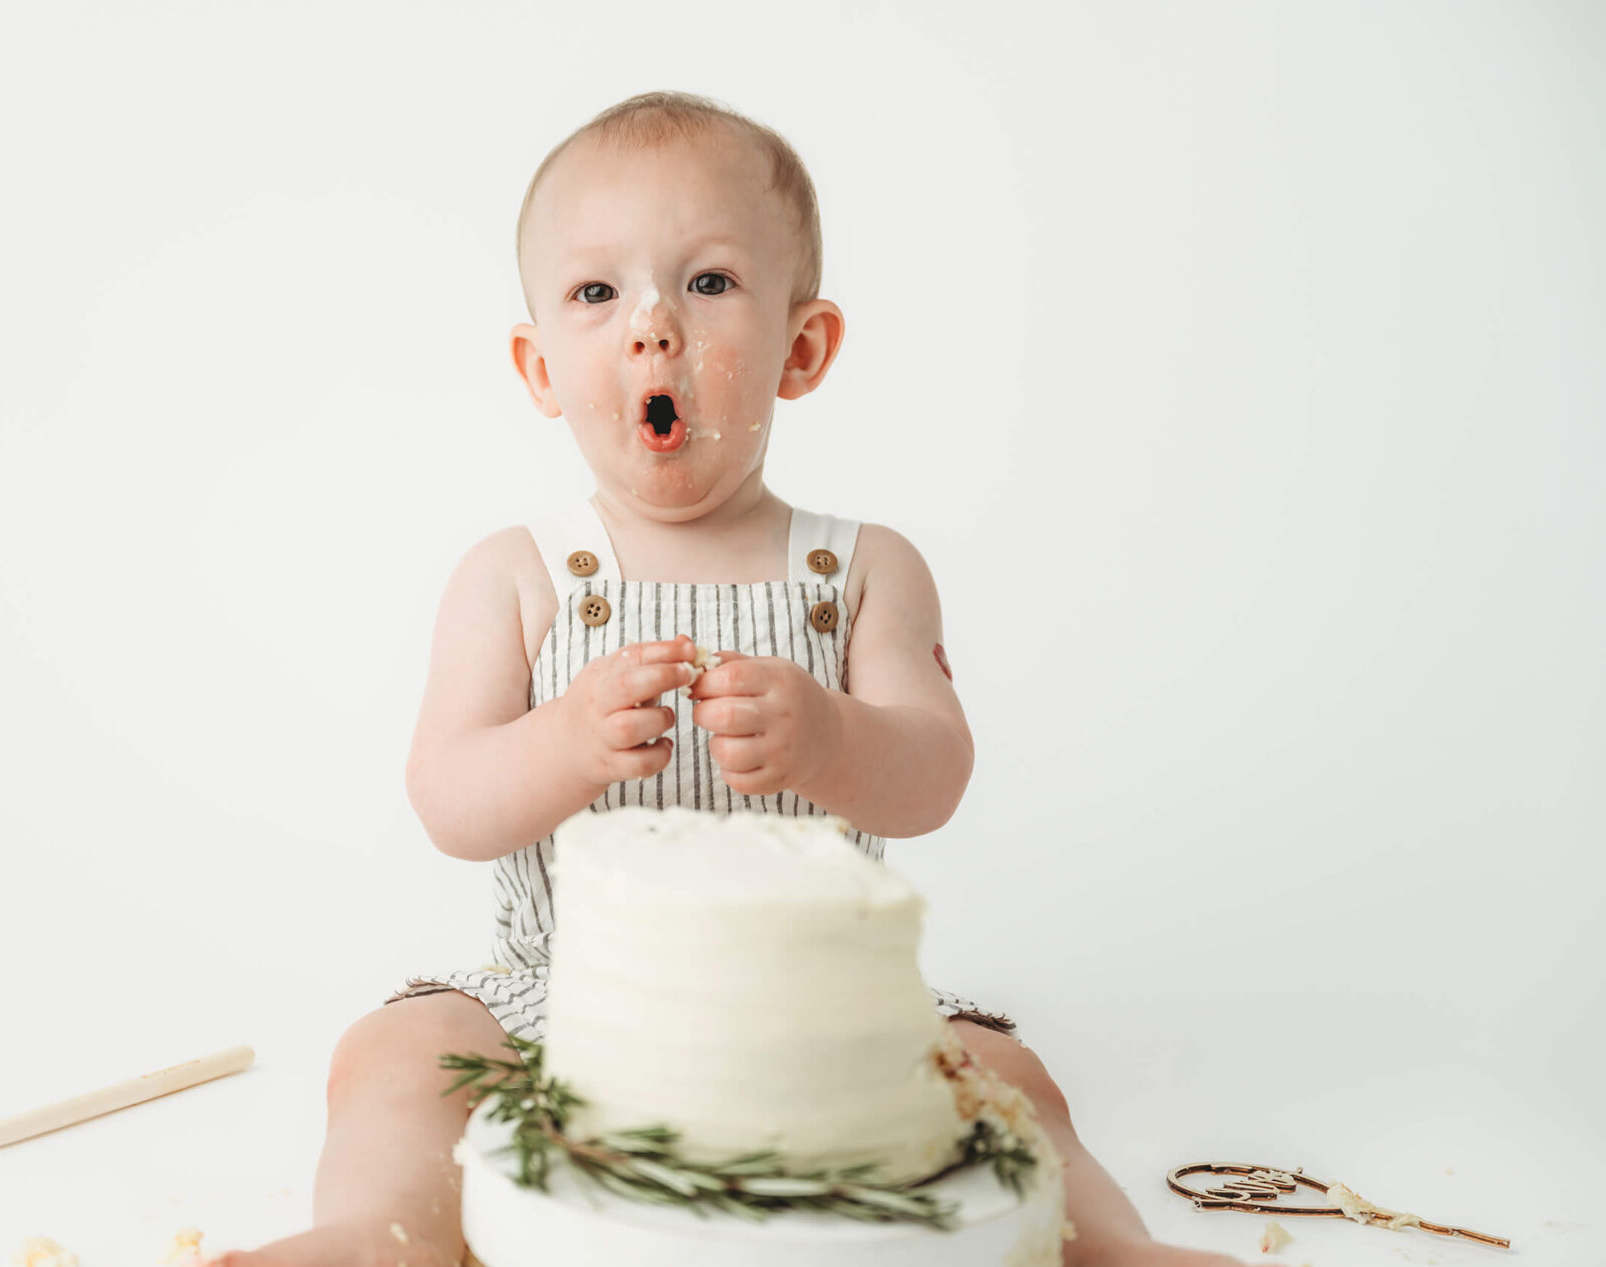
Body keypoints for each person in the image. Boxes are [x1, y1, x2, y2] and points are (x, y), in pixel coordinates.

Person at [212, 91, 1250, 1267]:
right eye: (596, 293)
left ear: (800, 348)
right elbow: (450, 799)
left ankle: (1108, 1246)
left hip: (819, 1020)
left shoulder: (859, 572)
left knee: (1004, 1073)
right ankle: (373, 1234)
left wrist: (830, 736)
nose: (651, 327)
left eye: (706, 283)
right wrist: (564, 741)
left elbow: (932, 772)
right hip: (561, 1003)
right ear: (538, 364)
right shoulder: (519, 577)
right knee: (395, 1054)